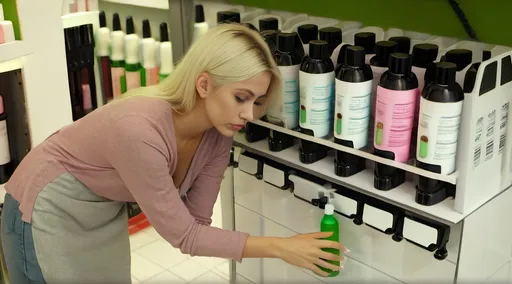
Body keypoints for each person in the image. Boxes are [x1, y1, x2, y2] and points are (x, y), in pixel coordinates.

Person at [0, 23, 345, 283]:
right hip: (48, 207)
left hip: (102, 209)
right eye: (241, 97)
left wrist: (279, 247)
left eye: (257, 101)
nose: (249, 114)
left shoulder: (218, 136)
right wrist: (281, 247)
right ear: (205, 84)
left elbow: (195, 225)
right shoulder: (140, 129)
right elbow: (185, 236)